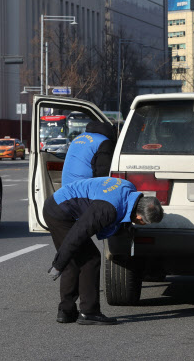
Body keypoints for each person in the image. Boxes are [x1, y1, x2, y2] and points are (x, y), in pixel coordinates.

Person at [43, 176, 164, 325]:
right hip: (58, 211)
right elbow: (77, 234)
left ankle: (66, 312)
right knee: (90, 260)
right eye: (145, 222)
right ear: (139, 216)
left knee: (77, 259)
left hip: (62, 204)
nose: (143, 225)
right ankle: (89, 312)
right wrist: (58, 264)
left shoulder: (129, 190)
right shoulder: (107, 209)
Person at [61, 120, 117, 186]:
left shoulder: (78, 138)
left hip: (66, 186)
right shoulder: (104, 142)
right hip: (83, 189)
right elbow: (104, 173)